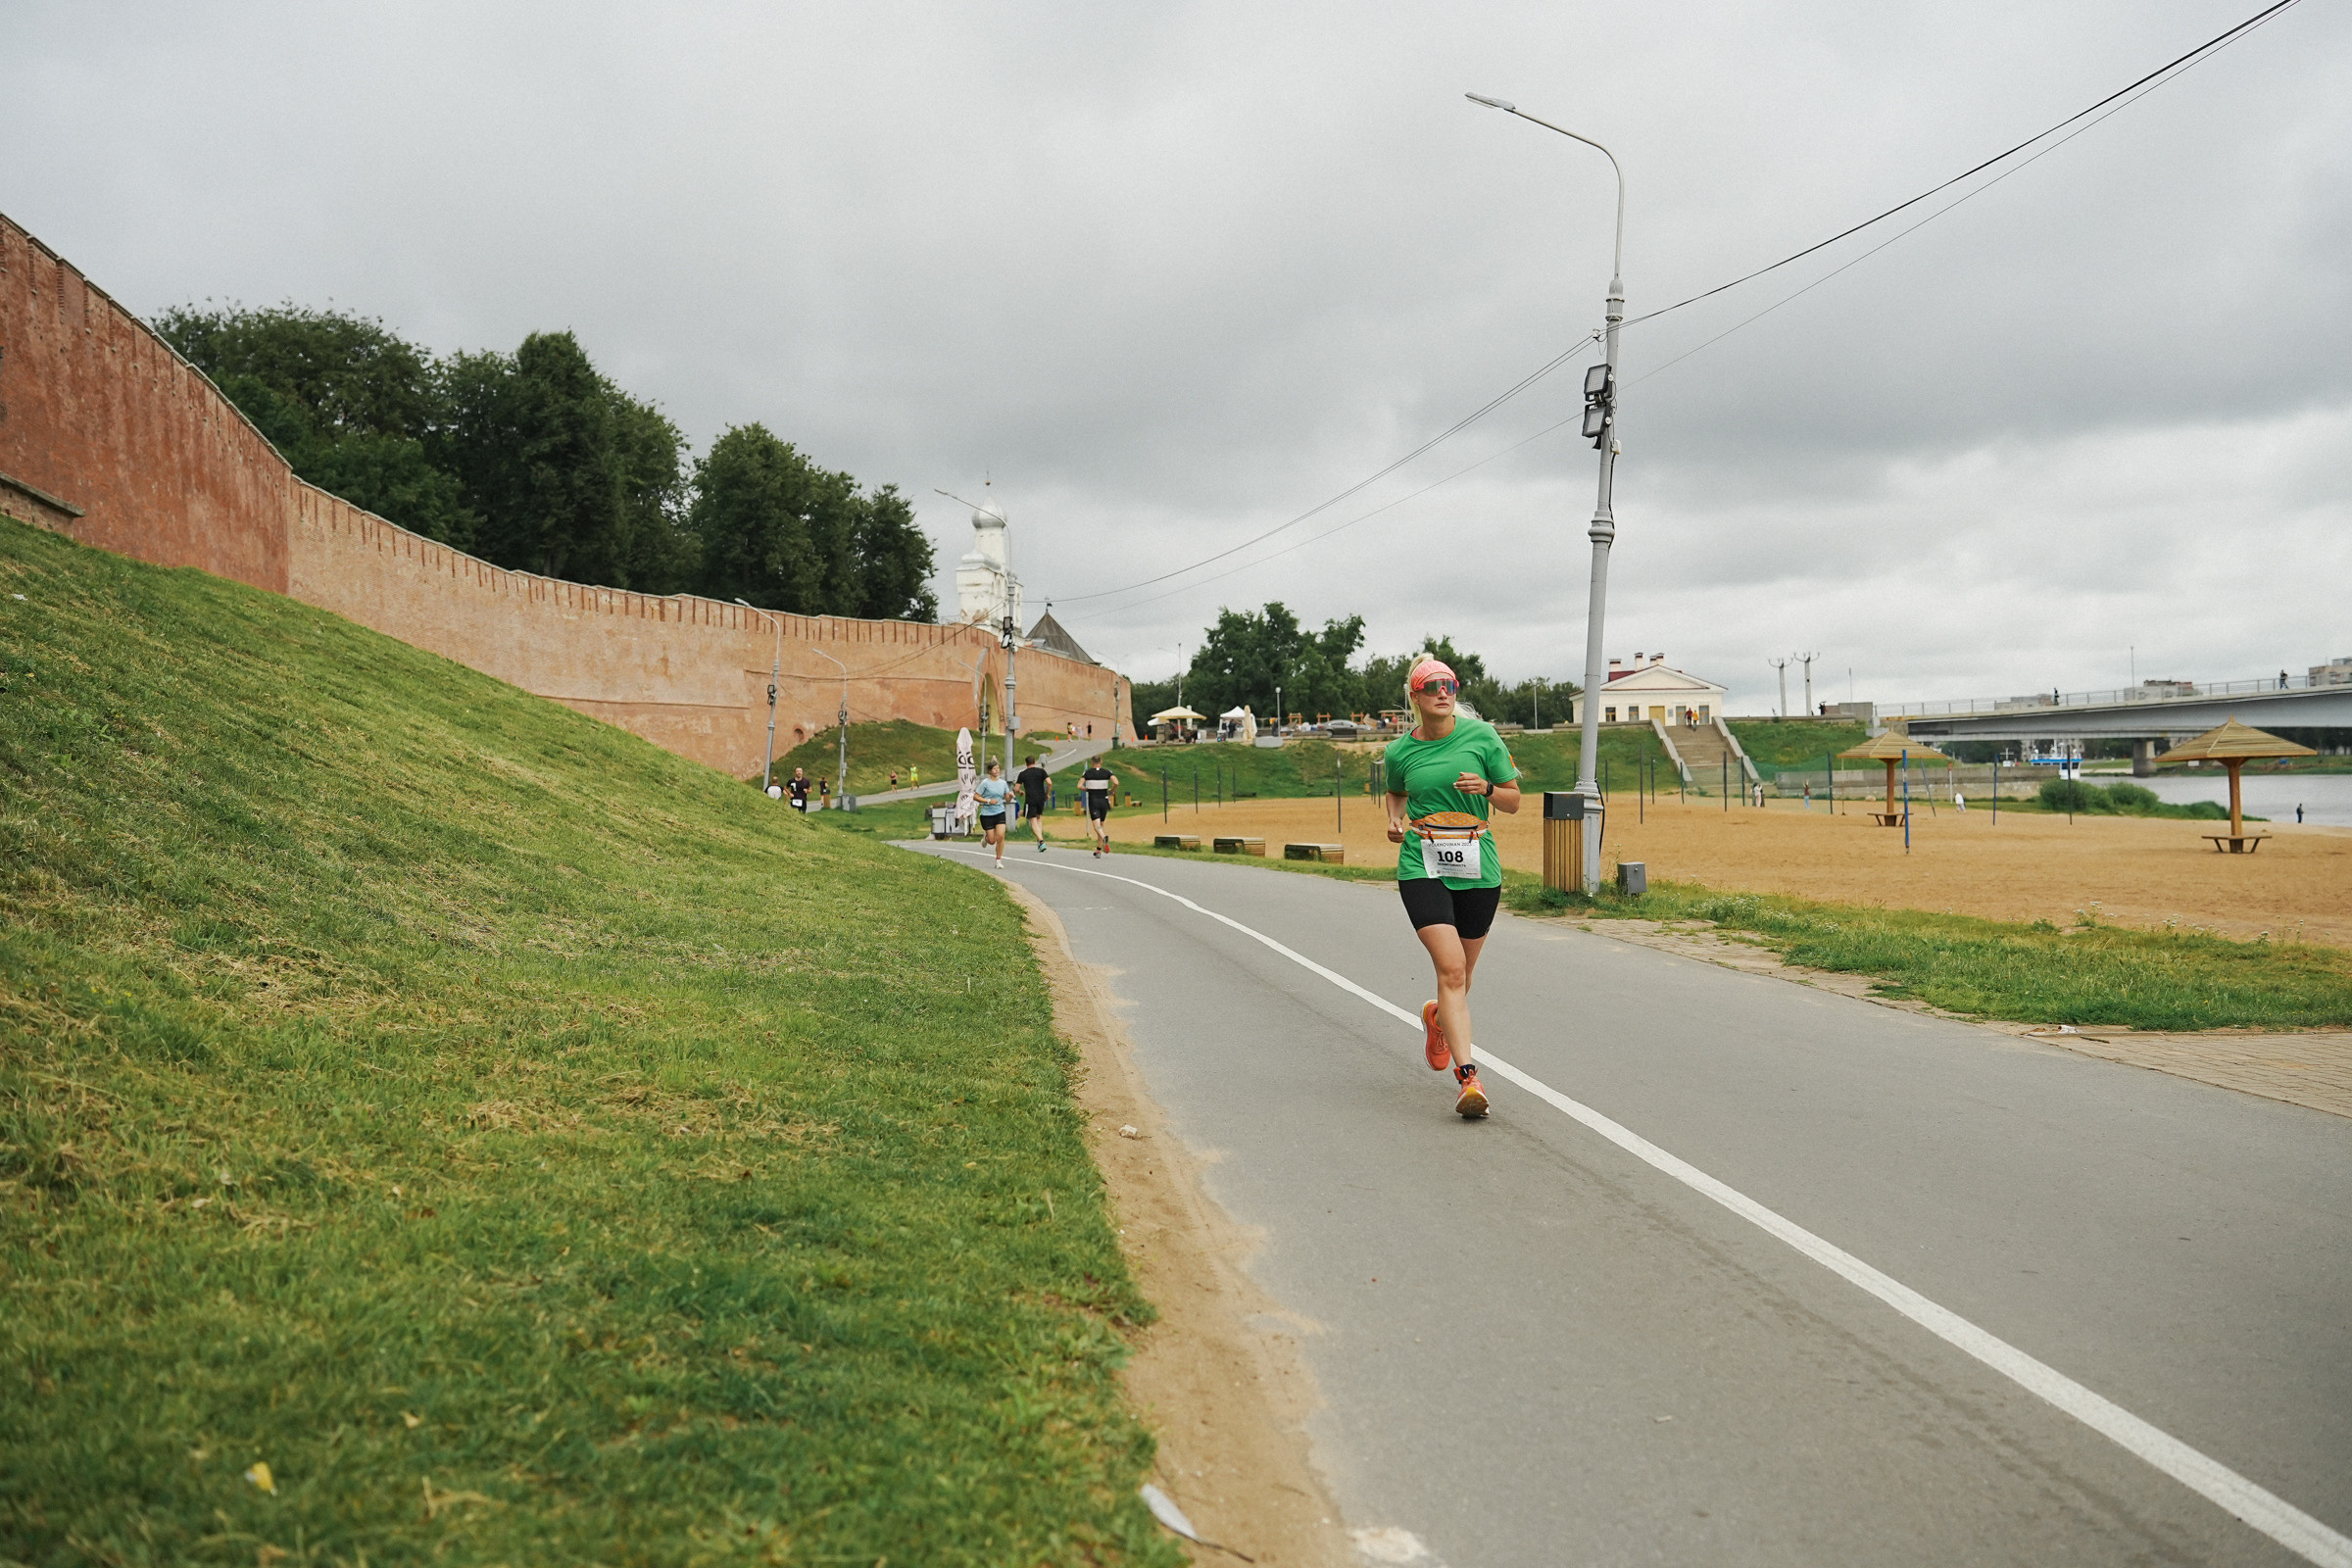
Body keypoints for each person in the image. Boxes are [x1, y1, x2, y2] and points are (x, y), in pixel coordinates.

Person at [1384, 658, 1520, 1119]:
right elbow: (1397, 790)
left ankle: (1438, 1019)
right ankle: (1470, 1080)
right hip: (1422, 861)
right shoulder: (1400, 751)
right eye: (1432, 686)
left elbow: (1514, 800)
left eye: (1450, 684)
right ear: (1416, 697)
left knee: (1463, 974)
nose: (1444, 691)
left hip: (1477, 861)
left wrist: (1485, 789)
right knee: (1452, 970)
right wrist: (1394, 818)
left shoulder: (1482, 738)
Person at [975, 760, 1012, 868]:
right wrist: (988, 801)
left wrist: (1010, 796)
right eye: (994, 768)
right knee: (992, 841)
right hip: (987, 814)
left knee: (1000, 836)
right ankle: (986, 839)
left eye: (998, 768)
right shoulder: (985, 783)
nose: (997, 770)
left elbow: (1007, 799)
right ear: (989, 771)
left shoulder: (1003, 783)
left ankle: (998, 861)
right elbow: (976, 796)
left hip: (999, 812)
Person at [1016, 754, 1052, 853]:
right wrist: (1047, 794)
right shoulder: (1041, 771)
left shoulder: (1023, 774)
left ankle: (1041, 841)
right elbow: (1049, 783)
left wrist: (1021, 792)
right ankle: (1039, 841)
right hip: (1041, 798)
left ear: (1026, 763)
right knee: (1039, 818)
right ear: (1035, 762)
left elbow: (1016, 788)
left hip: (1030, 799)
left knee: (1033, 820)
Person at [1081, 758, 1115, 856]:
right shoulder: (1107, 772)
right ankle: (1099, 849)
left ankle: (1104, 838)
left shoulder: (1088, 773)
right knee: (1101, 825)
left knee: (1097, 827)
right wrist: (1112, 790)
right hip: (1104, 801)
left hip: (1094, 801)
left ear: (1092, 763)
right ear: (1101, 762)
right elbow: (1116, 782)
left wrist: (1087, 789)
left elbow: (1079, 785)